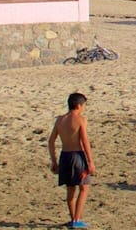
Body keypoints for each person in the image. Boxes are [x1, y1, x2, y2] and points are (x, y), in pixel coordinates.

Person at [48, 93, 95, 228]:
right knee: (84, 188)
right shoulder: (80, 120)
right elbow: (85, 141)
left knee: (70, 190)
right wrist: (90, 161)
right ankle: (77, 219)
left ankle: (73, 218)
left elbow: (51, 141)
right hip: (77, 156)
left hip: (65, 156)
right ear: (79, 105)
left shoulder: (60, 120)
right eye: (83, 106)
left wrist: (54, 160)